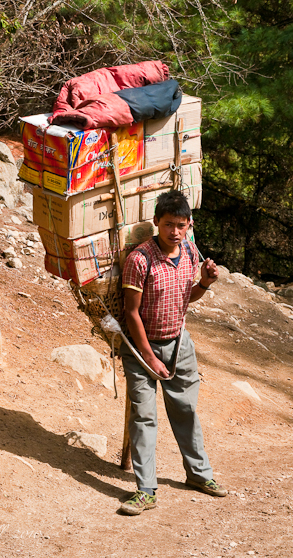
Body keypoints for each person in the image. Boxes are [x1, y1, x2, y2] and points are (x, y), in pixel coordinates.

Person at [119, 190, 227, 516]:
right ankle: (146, 491)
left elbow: (185, 297)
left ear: (188, 225)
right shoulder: (140, 260)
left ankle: (199, 475)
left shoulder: (191, 252)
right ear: (156, 223)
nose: (174, 232)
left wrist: (205, 283)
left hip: (179, 345)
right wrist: (149, 356)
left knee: (186, 411)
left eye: (181, 225)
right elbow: (131, 313)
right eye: (168, 225)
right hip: (141, 349)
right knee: (144, 417)